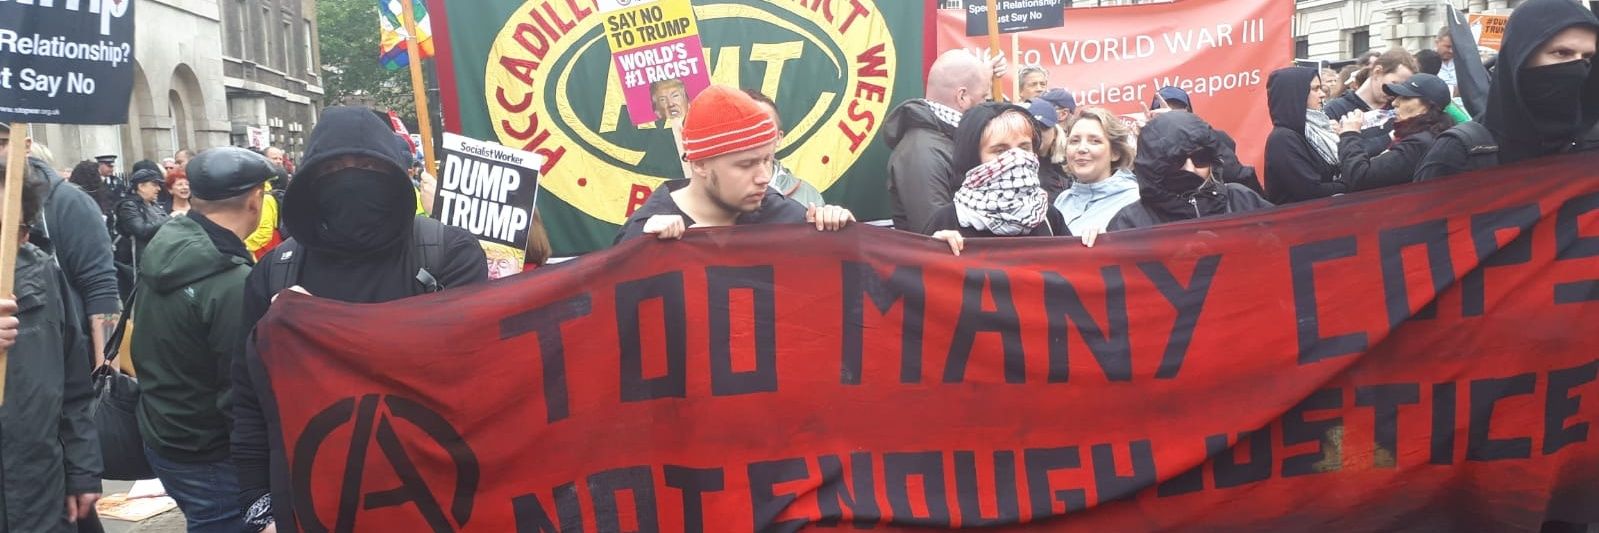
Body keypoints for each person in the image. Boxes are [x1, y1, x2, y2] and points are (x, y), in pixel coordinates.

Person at [233, 107, 490, 532]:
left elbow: (479, 378)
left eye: (367, 166)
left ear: (393, 172)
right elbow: (247, 399)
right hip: (314, 502)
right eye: (333, 168)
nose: (350, 177)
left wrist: (321, 326)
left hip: (437, 498)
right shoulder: (275, 273)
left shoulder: (449, 255)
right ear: (311, 180)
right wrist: (259, 506)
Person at [131, 147, 275, 533]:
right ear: (255, 199)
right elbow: (239, 389)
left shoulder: (172, 243)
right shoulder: (229, 281)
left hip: (167, 432)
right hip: (207, 449)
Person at [0, 157, 102, 533]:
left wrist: (81, 470)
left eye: (10, 228)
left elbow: (72, 384)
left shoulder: (41, 272)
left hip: (41, 489)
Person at [617, 86, 855, 242]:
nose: (764, 177)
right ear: (699, 164)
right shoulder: (646, 232)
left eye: (766, 160)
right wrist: (642, 253)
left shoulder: (779, 213)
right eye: (746, 164)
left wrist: (837, 233)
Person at [1415, 0, 1599, 181]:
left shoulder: (1591, 143)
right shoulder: (1459, 154)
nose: (1579, 68)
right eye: (1562, 53)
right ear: (1519, 57)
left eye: (1587, 57)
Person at [922, 102, 1065, 250]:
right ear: (974, 159)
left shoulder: (1048, 216)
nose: (1017, 158)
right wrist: (933, 251)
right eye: (1000, 151)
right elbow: (921, 263)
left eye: (1024, 148)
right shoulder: (947, 221)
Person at [1107, 112, 1272, 230]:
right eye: (1175, 162)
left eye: (1201, 158)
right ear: (1154, 169)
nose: (1190, 169)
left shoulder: (1242, 199)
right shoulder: (1130, 222)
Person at [885, 49, 991, 232]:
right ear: (962, 97)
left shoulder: (946, 140)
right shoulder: (922, 152)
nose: (987, 106)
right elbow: (934, 233)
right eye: (985, 98)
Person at [1335, 73, 1456, 192]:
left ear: (1426, 107)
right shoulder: (1424, 134)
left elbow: (1360, 177)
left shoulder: (1419, 143)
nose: (1394, 103)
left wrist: (1350, 134)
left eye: (1405, 97)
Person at [1151, 86, 1263, 194]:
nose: (1172, 118)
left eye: (1178, 111)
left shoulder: (1213, 138)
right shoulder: (1149, 148)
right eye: (1165, 113)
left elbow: (1239, 177)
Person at [1052, 107, 1139, 243]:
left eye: (1095, 141)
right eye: (1074, 141)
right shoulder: (1062, 200)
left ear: (1115, 153)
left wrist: (1108, 243)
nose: (1081, 149)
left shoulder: (1135, 200)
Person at [1265, 66, 1346, 204]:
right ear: (1296, 93)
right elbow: (1310, 191)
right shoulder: (1283, 139)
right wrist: (1352, 182)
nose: (1322, 94)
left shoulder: (1320, 127)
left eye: (1320, 88)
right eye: (1315, 89)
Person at [1324, 49, 1419, 157]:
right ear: (1377, 72)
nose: (1396, 91)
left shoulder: (1399, 112)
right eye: (1394, 83)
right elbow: (1332, 155)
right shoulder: (1335, 109)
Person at [743, 89, 825, 207]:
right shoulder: (718, 192)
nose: (754, 135)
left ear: (778, 138)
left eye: (764, 128)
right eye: (744, 128)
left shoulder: (807, 197)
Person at [114, 169, 170, 298]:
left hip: (158, 259)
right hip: (137, 264)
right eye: (154, 184)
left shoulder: (154, 205)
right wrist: (170, 219)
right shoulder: (129, 205)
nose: (158, 189)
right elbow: (141, 231)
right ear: (141, 186)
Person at [1027, 99, 1071, 201]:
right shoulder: (1017, 166)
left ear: (1055, 133)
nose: (1037, 133)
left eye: (1043, 127)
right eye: (1032, 127)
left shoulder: (1067, 164)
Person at [1435, 27, 1458, 96]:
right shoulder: (1426, 61)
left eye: (1454, 47)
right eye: (1448, 47)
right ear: (1437, 42)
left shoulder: (1462, 63)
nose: (1451, 51)